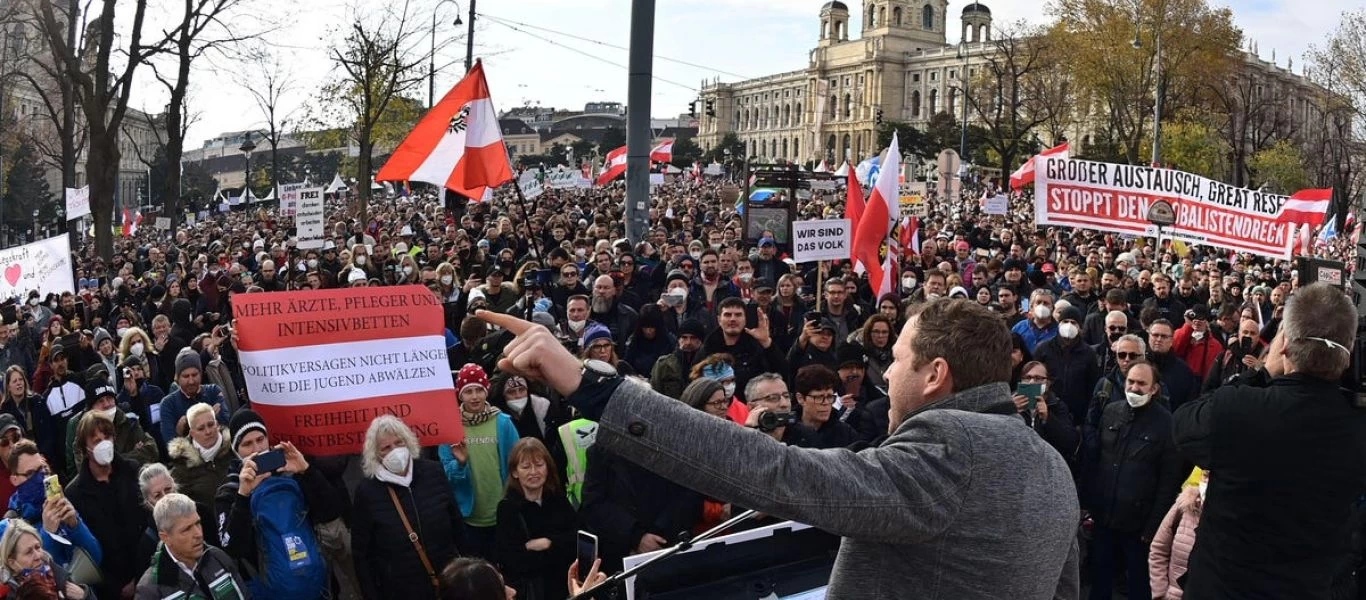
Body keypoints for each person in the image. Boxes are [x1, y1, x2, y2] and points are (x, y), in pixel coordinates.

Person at [477, 298, 1080, 599]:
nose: (886, 376)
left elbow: (780, 473)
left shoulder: (950, 449)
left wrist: (592, 386)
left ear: (934, 375)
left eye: (896, 361)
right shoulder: (1049, 462)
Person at [1173, 283, 1366, 598]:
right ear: (1349, 353)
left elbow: (1183, 426)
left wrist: (1261, 372)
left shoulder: (1238, 409)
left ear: (1284, 345)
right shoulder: (1357, 431)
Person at [214, 409, 346, 599]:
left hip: (315, 584)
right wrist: (243, 495)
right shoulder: (229, 491)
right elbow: (232, 548)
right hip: (268, 588)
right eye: (247, 444)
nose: (257, 449)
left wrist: (307, 472)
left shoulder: (290, 473)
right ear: (236, 450)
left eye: (260, 439)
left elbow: (331, 511)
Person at [1082, 361, 1183, 600]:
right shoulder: (1111, 411)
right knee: (1100, 582)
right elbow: (1096, 461)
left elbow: (1168, 482)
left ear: (1154, 388)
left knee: (1139, 586)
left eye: (1141, 383)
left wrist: (1153, 528)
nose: (1134, 388)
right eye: (1131, 381)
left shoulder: (1166, 424)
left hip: (1139, 527)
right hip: (1105, 517)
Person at [353, 415, 464, 600]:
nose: (394, 451)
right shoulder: (367, 491)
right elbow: (362, 555)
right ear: (375, 455)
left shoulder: (434, 472)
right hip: (400, 590)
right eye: (386, 448)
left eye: (398, 443)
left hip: (447, 582)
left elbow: (457, 526)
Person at [439, 364, 520, 560]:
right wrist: (460, 464)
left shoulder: (503, 422)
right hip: (469, 518)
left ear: (486, 391)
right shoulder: (451, 427)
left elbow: (517, 463)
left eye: (478, 390)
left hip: (501, 514)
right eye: (468, 391)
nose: (474, 397)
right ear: (460, 395)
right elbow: (445, 474)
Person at [65, 410, 148, 600]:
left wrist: (143, 574)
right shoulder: (75, 493)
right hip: (112, 588)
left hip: (147, 574)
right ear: (85, 447)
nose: (104, 443)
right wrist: (116, 588)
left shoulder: (132, 470)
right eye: (96, 440)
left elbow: (148, 522)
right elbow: (84, 549)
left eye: (107, 436)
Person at [494, 438, 577, 600]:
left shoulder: (557, 499)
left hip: (564, 587)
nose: (534, 472)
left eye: (539, 465)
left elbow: (576, 539)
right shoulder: (508, 508)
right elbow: (513, 560)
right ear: (515, 472)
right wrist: (558, 551)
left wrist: (549, 543)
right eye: (526, 467)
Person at [136, 492, 249, 600]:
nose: (198, 534)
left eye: (198, 523)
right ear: (165, 537)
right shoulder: (150, 589)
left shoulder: (218, 557)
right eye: (186, 529)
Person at [63, 382, 157, 479]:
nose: (107, 404)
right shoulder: (83, 436)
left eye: (109, 399)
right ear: (91, 408)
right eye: (100, 401)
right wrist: (133, 454)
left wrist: (107, 460)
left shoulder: (129, 422)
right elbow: (89, 472)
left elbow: (151, 451)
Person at [700, 298, 786, 395]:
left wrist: (766, 342)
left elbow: (782, 374)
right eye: (728, 315)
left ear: (745, 319)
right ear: (719, 320)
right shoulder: (708, 348)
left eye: (738, 315)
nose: (733, 319)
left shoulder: (756, 346)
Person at [1032, 305, 1100, 421]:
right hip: (1047, 409)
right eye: (1065, 321)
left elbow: (1092, 386)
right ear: (1059, 324)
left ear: (1080, 327)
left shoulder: (1089, 353)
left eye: (1073, 322)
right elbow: (1032, 378)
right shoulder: (1043, 349)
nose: (1069, 326)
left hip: (1077, 415)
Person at [1148, 472, 1207, 600]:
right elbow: (1159, 550)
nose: (1207, 482)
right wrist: (1161, 593)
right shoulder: (1184, 506)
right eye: (1206, 476)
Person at [0, 518, 92, 599]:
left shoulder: (57, 574)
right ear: (12, 563)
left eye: (37, 547)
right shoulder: (11, 595)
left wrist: (85, 595)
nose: (38, 556)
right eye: (28, 552)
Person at [1012, 361, 1079, 468]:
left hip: (1048, 467)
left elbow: (1071, 443)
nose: (1032, 382)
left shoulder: (1057, 406)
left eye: (1038, 378)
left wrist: (1048, 418)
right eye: (1027, 378)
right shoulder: (1010, 403)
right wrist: (1010, 412)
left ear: (1048, 383)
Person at [167, 403, 234, 509]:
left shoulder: (235, 449)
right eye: (201, 428)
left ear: (217, 425)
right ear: (192, 433)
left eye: (211, 424)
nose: (208, 431)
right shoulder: (181, 467)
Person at [157, 349, 228, 446]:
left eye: (194, 375)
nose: (191, 381)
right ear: (177, 377)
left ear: (201, 374)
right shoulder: (168, 404)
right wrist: (179, 433)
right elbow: (170, 444)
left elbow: (226, 424)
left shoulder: (213, 391)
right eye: (186, 376)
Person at [792, 365, 858, 449]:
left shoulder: (846, 433)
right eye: (819, 397)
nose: (826, 403)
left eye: (830, 396)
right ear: (800, 398)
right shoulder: (786, 432)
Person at [648, 318, 706, 399]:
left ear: (700, 340)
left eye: (693, 338)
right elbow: (654, 394)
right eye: (684, 337)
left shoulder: (709, 365)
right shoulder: (664, 364)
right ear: (679, 339)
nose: (688, 342)